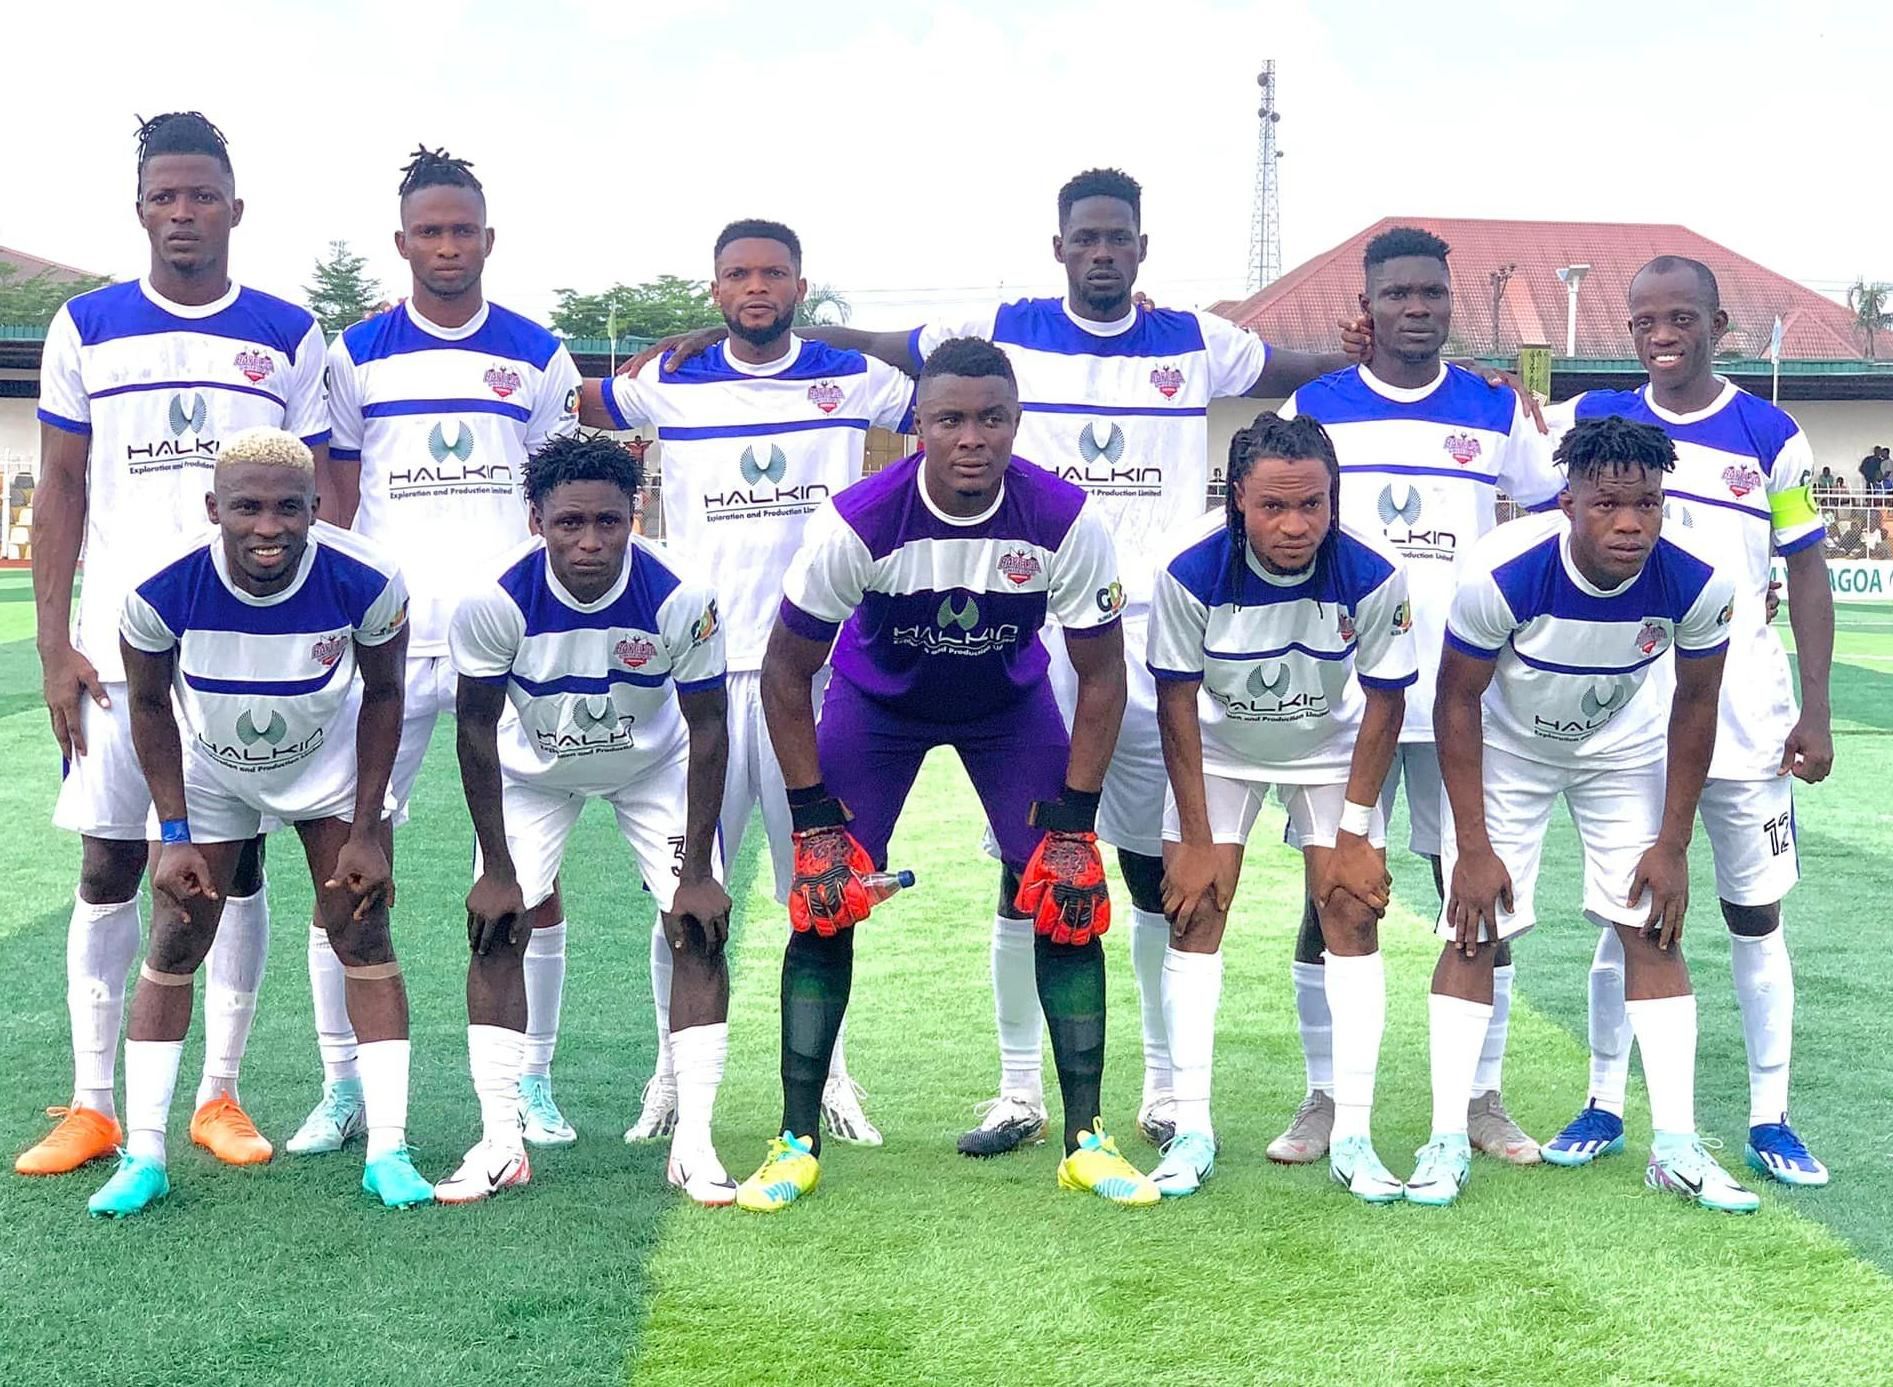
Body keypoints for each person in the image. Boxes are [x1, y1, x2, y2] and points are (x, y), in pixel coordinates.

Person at [630, 169, 1371, 1155]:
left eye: (1117, 237)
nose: (1101, 252)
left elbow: (1290, 368)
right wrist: (741, 332)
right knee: (957, 876)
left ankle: (1151, 1097)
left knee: (1118, 869)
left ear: (1140, 247)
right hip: (989, 652)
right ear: (1058, 246)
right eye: (1085, 237)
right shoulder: (989, 344)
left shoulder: (1183, 350)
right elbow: (881, 347)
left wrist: (1374, 349)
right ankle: (998, 1094)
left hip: (1138, 635)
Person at [733, 337, 1148, 1210]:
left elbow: (1103, 675)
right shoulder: (858, 520)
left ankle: (1085, 1141)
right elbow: (783, 671)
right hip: (878, 707)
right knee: (825, 896)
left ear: (1017, 422)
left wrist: (1074, 822)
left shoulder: (1065, 518)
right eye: (949, 419)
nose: (971, 438)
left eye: (991, 418)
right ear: (916, 425)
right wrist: (812, 821)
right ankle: (794, 1140)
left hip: (1007, 707)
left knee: (1068, 893)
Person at [23, 111, 329, 1177]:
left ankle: (218, 1095)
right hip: (118, 654)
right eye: (166, 196)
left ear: (235, 208)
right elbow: (61, 487)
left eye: (202, 196)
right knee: (111, 858)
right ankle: (93, 1103)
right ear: (141, 208)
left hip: (248, 653)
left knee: (236, 865)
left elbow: (320, 498)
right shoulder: (86, 325)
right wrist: (53, 644)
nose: (184, 213)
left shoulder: (288, 333)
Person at [579, 219, 914, 1149]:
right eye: (738, 274)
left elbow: (951, 378)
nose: (755, 287)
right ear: (714, 288)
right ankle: (667, 1075)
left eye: (773, 274)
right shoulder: (672, 382)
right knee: (682, 884)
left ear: (801, 285)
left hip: (814, 673)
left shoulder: (854, 380)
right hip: (699, 676)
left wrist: (837, 336)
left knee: (826, 883)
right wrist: (660, 349)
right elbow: (575, 401)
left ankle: (832, 1076)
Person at [301, 145, 582, 1155]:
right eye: (431, 230)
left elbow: (560, 500)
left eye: (464, 229)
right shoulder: (354, 354)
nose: (448, 246)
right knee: (349, 856)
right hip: (387, 644)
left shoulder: (540, 355)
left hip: (508, 643)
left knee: (528, 868)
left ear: (489, 239)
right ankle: (342, 1084)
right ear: (403, 241)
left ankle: (534, 1079)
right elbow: (336, 496)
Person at [1268, 227, 1562, 1169]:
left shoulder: (1493, 406)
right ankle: (1324, 1094)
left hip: (1464, 697)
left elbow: (1558, 507)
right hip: (1342, 698)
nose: (1415, 307)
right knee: (1329, 893)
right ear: (1367, 304)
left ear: (1448, 300)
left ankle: (1481, 1096)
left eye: (1430, 292)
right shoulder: (1314, 407)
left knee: (1473, 889)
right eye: (1396, 293)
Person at [1540, 257, 1835, 1186]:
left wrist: (1816, 707)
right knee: (1625, 913)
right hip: (1630, 714)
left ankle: (1768, 1117)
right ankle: (1603, 1100)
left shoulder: (1769, 433)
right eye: (1643, 321)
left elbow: (1806, 566)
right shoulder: (1598, 421)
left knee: (1754, 914)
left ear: (1717, 324)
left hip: (1745, 714)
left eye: (1679, 317)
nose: (1661, 335)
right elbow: (1509, 437)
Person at [89, 427, 428, 1216]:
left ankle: (389, 1148)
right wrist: (173, 832)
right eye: (247, 508)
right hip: (213, 774)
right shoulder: (158, 587)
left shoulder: (368, 578)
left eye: (288, 508)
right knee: (176, 935)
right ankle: (145, 1154)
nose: (267, 527)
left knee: (361, 931)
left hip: (326, 772)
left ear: (315, 506)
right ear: (215, 507)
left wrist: (367, 826)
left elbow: (385, 694)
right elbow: (148, 706)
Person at [1415, 415, 1751, 1212]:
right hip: (1509, 748)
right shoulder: (1501, 573)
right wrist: (1472, 847)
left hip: (1620, 749)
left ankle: (1675, 1146)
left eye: (1646, 503)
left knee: (1651, 924)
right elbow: (1455, 701)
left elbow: (1695, 704)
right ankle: (1443, 1138)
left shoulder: (1699, 579)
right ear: (1566, 501)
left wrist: (1672, 843)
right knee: (1474, 927)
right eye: (1606, 504)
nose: (1629, 522)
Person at [439, 434, 735, 1206]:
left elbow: (709, 726)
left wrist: (696, 872)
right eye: (569, 522)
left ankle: (694, 1144)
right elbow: (474, 727)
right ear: (536, 520)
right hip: (534, 772)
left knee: (696, 925)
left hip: (653, 766)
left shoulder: (681, 595)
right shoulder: (493, 599)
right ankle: (500, 1142)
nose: (591, 541)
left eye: (609, 521)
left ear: (634, 516)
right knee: (497, 926)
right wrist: (497, 869)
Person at [1149, 413, 1415, 1199]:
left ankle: (1353, 1134)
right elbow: (1174, 703)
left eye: (1311, 504)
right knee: (1194, 909)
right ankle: (1191, 1129)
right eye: (1272, 506)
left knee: (1351, 911)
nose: (1294, 525)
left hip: (1329, 746)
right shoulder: (1187, 569)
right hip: (1218, 746)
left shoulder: (1373, 570)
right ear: (1237, 498)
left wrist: (1355, 831)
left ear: (1333, 498)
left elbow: (1385, 700)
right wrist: (1196, 837)